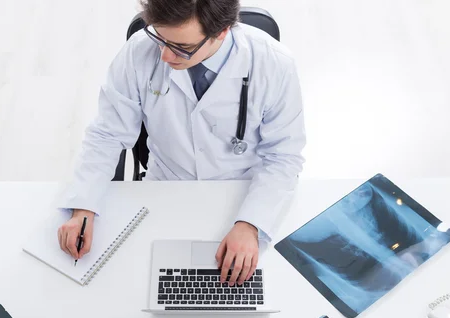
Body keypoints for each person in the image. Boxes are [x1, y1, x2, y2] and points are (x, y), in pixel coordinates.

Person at [57, 0, 306, 286]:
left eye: (181, 47)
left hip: (245, 192)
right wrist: (83, 207)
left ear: (221, 32)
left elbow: (283, 156)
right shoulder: (139, 52)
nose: (164, 55)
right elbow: (107, 134)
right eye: (159, 38)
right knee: (142, 286)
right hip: (166, 188)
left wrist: (251, 225)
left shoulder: (274, 63)